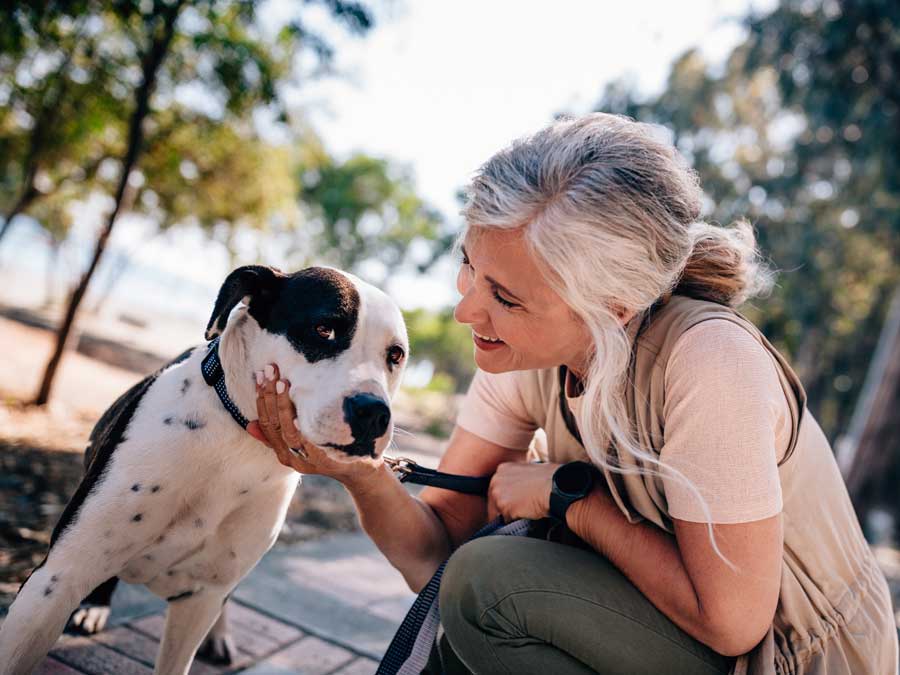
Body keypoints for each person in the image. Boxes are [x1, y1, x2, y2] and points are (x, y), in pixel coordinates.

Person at [248, 114, 898, 674]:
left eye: (504, 296)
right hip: (686, 635)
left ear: (611, 309)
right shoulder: (525, 353)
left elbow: (730, 620)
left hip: (792, 658)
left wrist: (569, 497)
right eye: (470, 265)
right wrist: (359, 474)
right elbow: (436, 564)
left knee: (492, 590)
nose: (466, 310)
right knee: (459, 636)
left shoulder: (710, 360)